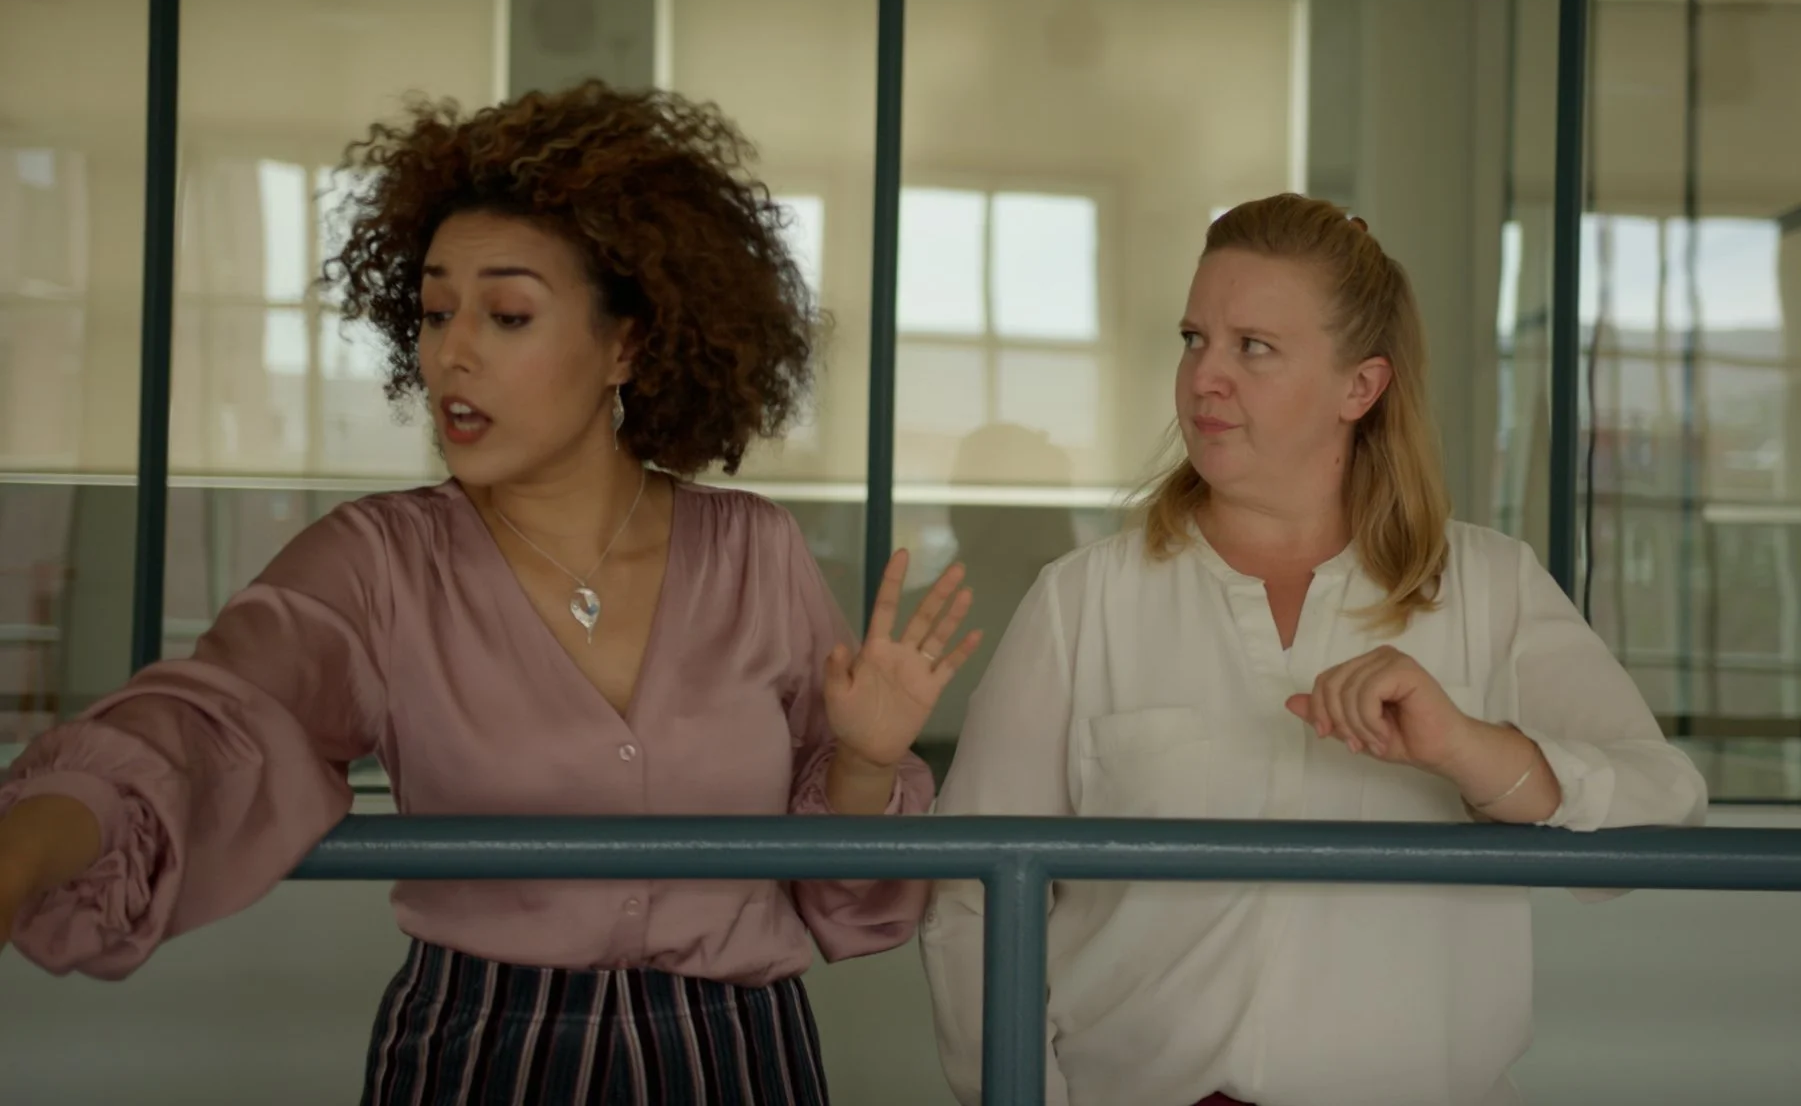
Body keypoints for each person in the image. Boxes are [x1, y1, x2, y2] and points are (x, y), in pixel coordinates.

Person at [0, 82, 979, 1106]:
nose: (450, 352)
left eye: (507, 314)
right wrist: (22, 849)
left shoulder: (753, 551)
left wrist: (865, 762)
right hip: (477, 1058)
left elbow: (849, 896)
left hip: (737, 1056)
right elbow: (207, 725)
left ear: (628, 346)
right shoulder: (377, 561)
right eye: (432, 313)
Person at [919, 193, 1708, 1106]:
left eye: (1252, 346)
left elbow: (1663, 809)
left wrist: (1470, 750)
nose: (1204, 378)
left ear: (1359, 388)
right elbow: (973, 900)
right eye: (1193, 339)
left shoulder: (1491, 588)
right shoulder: (1082, 601)